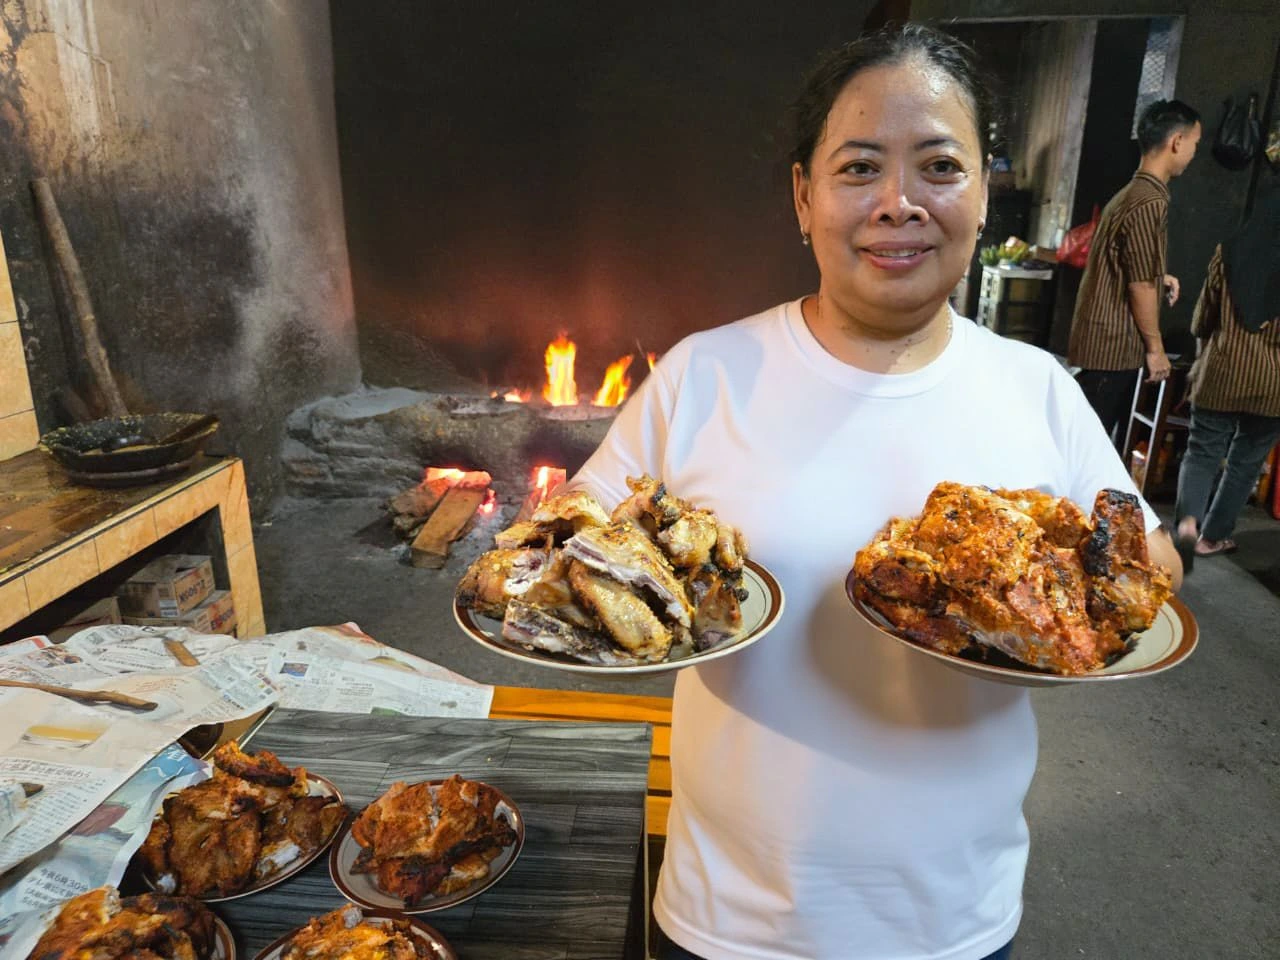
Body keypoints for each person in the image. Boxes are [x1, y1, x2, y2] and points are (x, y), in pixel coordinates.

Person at [570, 23, 1183, 960]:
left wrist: (1069, 598)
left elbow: (1148, 566)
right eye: (859, 168)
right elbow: (567, 540)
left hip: (955, 919)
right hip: (730, 917)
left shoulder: (1037, 389)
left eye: (940, 167)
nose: (899, 203)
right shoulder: (705, 375)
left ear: (983, 193)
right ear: (802, 197)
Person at [1068, 99, 1202, 447]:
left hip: (1104, 344)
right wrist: (1156, 349)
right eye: (1195, 143)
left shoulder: (1133, 193)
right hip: (1113, 348)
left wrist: (1160, 276)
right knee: (1086, 449)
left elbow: (1131, 265)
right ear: (1177, 142)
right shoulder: (1149, 201)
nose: (1194, 152)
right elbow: (1139, 284)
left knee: (1086, 445)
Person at [1174, 193, 1280, 569]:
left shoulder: (1230, 250)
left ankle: (1187, 526)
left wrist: (1204, 349)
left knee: (1202, 452)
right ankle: (1213, 537)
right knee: (1245, 462)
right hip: (1274, 382)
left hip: (1222, 370)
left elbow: (1204, 316)